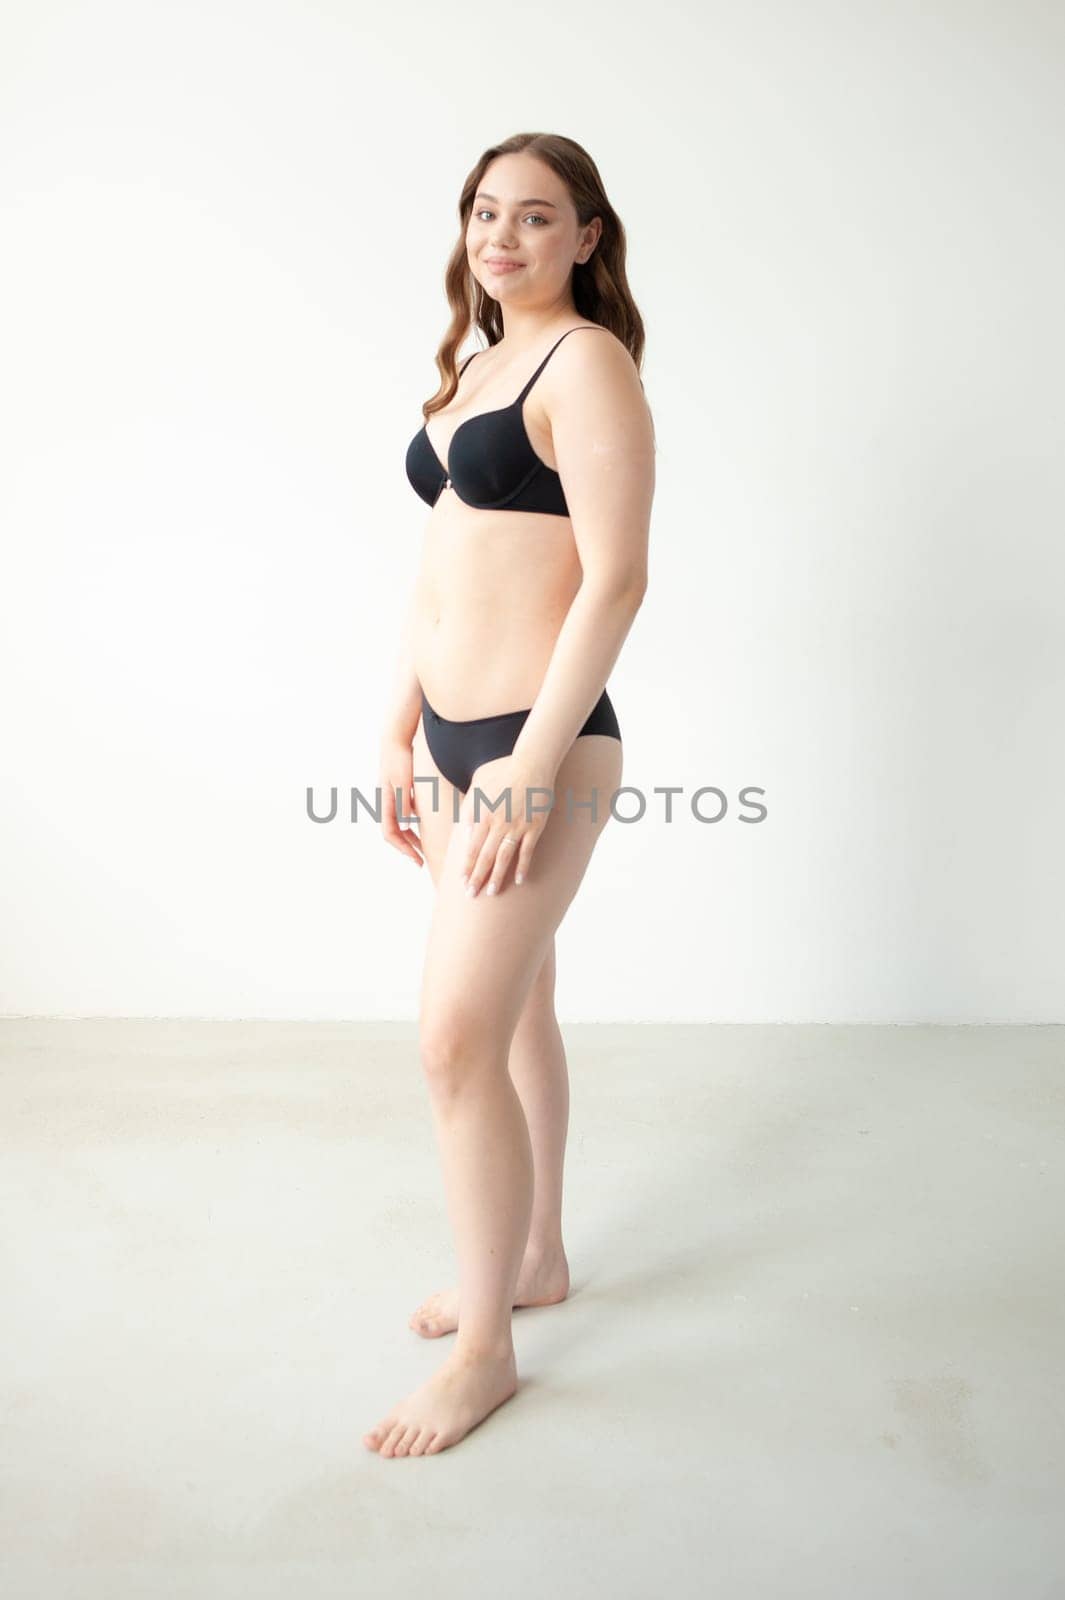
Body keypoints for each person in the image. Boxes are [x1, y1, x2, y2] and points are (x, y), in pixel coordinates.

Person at [366, 132, 655, 1457]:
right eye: (486, 212)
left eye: (536, 217)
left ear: (584, 239)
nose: (503, 236)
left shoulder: (584, 363)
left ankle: (487, 1349)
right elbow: (444, 565)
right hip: (449, 738)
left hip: (541, 749)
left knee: (451, 1043)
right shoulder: (475, 365)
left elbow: (612, 580)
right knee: (522, 997)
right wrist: (397, 725)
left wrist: (529, 775)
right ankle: (534, 1256)